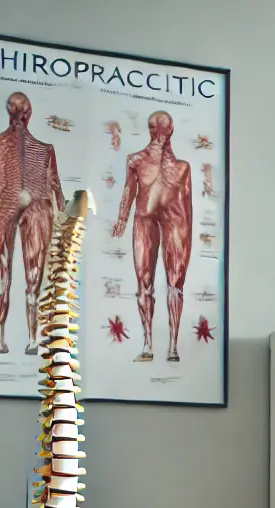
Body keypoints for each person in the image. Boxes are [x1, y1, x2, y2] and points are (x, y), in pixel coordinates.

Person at [0, 91, 63, 356]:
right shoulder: (42, 149)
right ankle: (30, 339)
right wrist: (63, 210)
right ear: (29, 114)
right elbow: (57, 190)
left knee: (2, 278)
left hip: (8, 206)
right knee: (30, 278)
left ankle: (2, 341)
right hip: (31, 204)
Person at [112, 111, 193, 364]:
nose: (158, 132)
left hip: (173, 220)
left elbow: (186, 207)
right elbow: (129, 190)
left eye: (160, 128)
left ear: (167, 130)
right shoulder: (136, 160)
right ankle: (153, 343)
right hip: (145, 218)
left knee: (174, 283)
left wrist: (123, 219)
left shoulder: (182, 168)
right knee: (146, 282)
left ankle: (170, 345)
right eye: (155, 128)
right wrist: (122, 219)